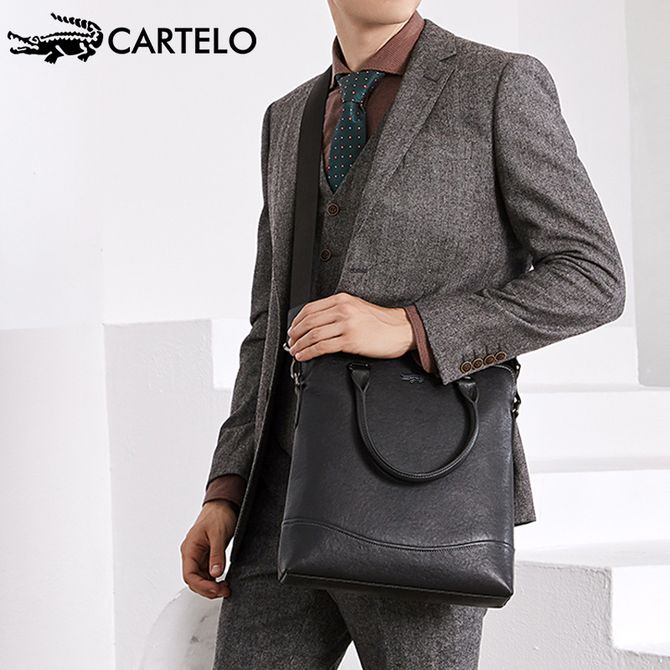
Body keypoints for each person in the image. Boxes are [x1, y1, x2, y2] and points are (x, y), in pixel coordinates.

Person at [180, 1, 626, 668]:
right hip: (279, 496)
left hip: (422, 489)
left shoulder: (498, 84)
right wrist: (227, 486)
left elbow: (593, 278)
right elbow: (269, 323)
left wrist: (413, 327)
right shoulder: (288, 116)